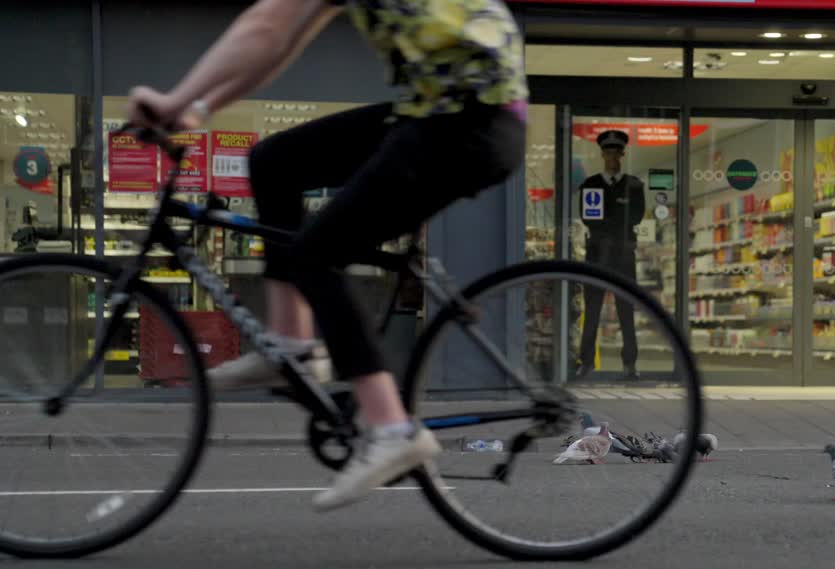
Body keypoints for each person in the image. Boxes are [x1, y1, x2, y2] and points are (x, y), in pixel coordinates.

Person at [125, 0, 527, 511]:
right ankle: (291, 345)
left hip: (464, 125)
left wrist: (174, 100)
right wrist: (198, 110)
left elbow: (267, 24)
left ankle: (391, 428)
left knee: (314, 255)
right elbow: (283, 38)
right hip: (440, 114)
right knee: (274, 162)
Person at [576, 130, 645, 381]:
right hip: (596, 256)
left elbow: (636, 216)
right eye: (608, 153)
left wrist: (606, 223)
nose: (612, 157)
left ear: (622, 155)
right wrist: (617, 220)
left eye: (616, 152)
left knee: (626, 310)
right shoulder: (590, 185)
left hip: (623, 256)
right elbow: (587, 218)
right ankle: (586, 362)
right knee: (592, 310)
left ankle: (630, 365)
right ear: (602, 155)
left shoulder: (634, 185)